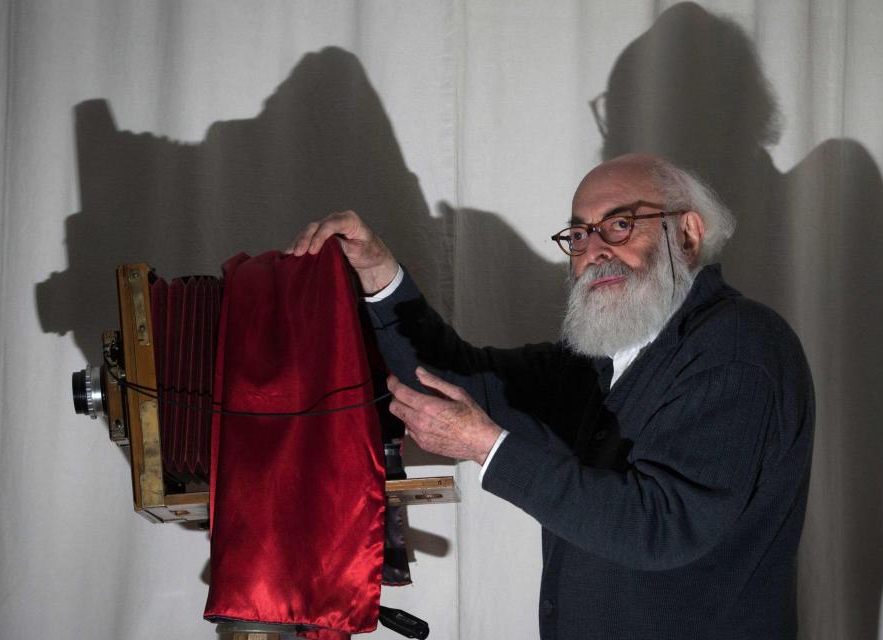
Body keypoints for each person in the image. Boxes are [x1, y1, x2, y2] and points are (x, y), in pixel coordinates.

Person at [287, 154, 814, 639]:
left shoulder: (739, 346)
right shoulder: (599, 359)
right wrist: (378, 273)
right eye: (580, 234)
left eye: (621, 225)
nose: (595, 250)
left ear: (689, 234)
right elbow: (457, 378)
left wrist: (488, 447)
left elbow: (663, 525)